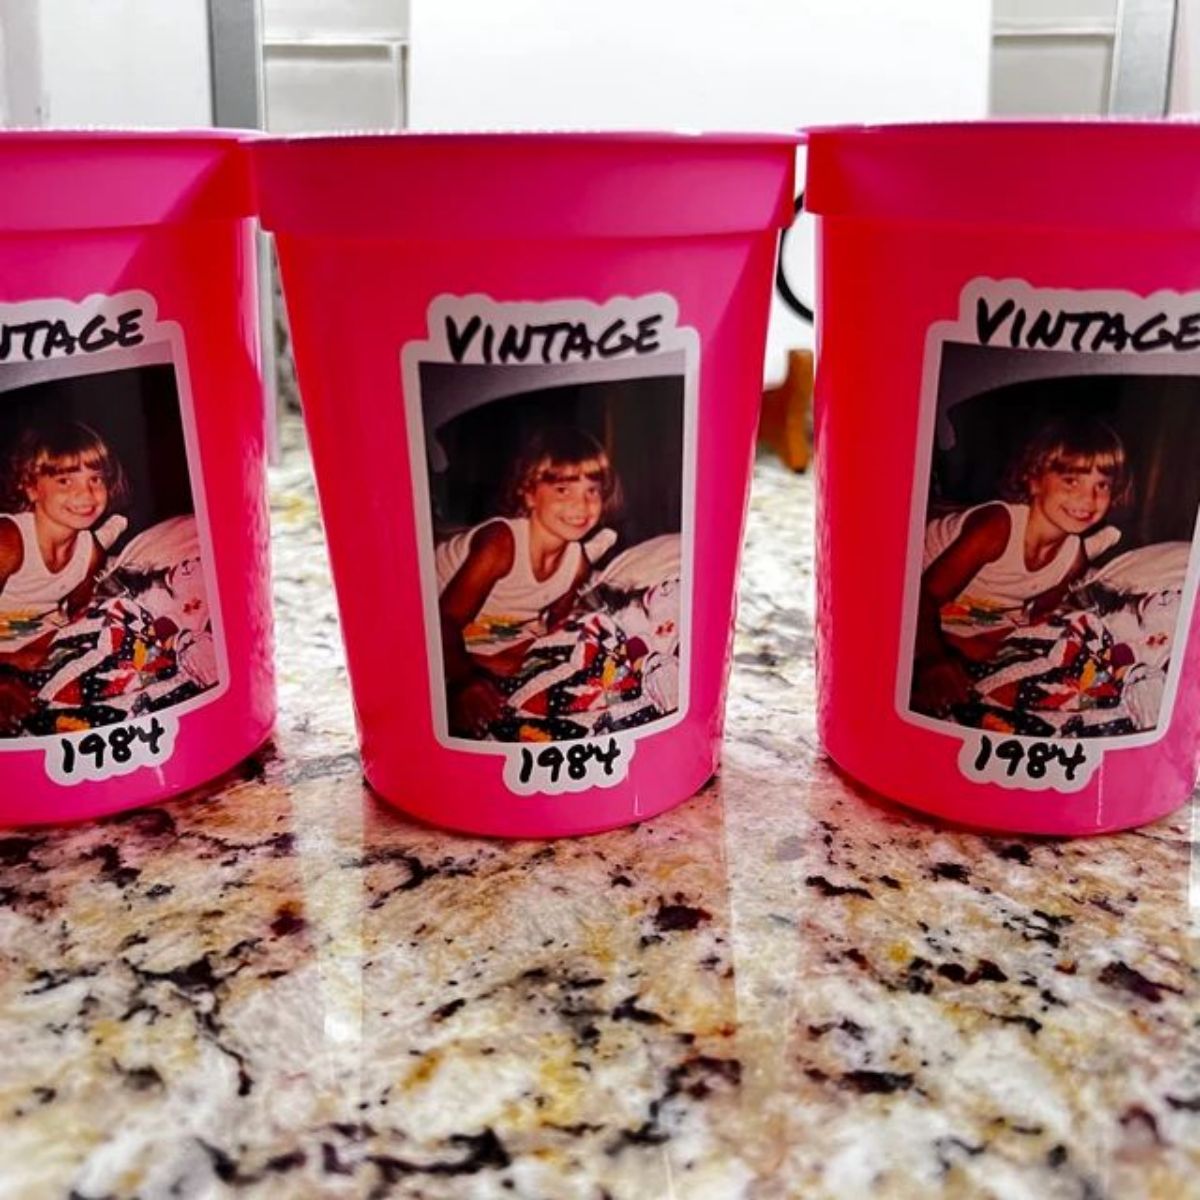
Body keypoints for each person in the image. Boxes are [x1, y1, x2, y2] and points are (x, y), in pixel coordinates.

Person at [912, 414, 1129, 717]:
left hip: (971, 612)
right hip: (911, 587)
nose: (1088, 498)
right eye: (1071, 481)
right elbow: (921, 595)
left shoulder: (1073, 560)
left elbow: (1033, 620)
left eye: (1102, 485)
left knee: (1031, 650)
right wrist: (932, 661)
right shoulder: (997, 528)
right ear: (1033, 478)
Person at [436, 425, 619, 738]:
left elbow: (558, 623)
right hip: (430, 610)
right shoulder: (501, 543)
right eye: (563, 490)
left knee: (546, 654)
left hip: (491, 625)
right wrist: (464, 682)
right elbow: (444, 618)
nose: (581, 505)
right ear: (529, 493)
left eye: (592, 491)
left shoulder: (577, 564)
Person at [0, 421, 128, 731]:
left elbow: (76, 616)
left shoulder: (89, 553)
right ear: (31, 487)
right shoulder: (10, 540)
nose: (86, 493)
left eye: (95, 478)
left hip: (29, 629)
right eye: (65, 480)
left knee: (100, 635)